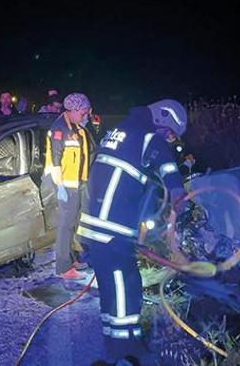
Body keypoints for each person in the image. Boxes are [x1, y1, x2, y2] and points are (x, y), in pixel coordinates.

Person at [78, 99, 188, 364]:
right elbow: (168, 166)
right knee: (121, 287)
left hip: (100, 226)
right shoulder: (148, 135)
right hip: (110, 228)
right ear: (163, 118)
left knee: (124, 284)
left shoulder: (124, 130)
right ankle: (120, 351)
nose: (169, 140)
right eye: (170, 133)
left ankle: (126, 341)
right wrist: (177, 192)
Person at [44, 93, 92, 279]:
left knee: (72, 225)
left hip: (78, 183)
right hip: (66, 185)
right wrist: (61, 186)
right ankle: (63, 268)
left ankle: (71, 258)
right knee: (65, 226)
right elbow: (55, 160)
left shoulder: (76, 127)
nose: (86, 116)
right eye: (83, 113)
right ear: (72, 110)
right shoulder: (59, 129)